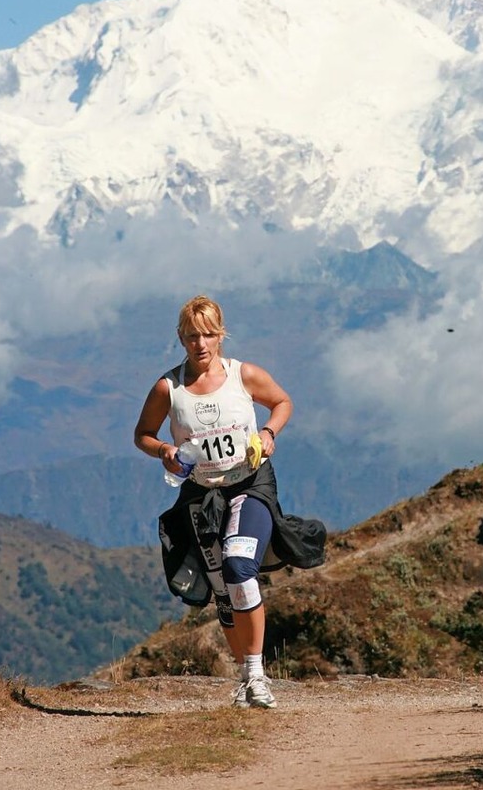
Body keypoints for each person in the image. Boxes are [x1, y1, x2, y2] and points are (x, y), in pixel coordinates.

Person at [134, 294, 326, 709]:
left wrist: (270, 434)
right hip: (200, 496)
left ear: (221, 335)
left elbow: (282, 402)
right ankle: (245, 680)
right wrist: (164, 450)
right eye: (190, 337)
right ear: (180, 339)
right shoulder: (168, 388)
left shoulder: (245, 375)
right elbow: (142, 435)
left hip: (249, 485)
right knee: (223, 592)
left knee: (240, 569)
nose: (199, 344)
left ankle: (257, 676)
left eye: (207, 335)